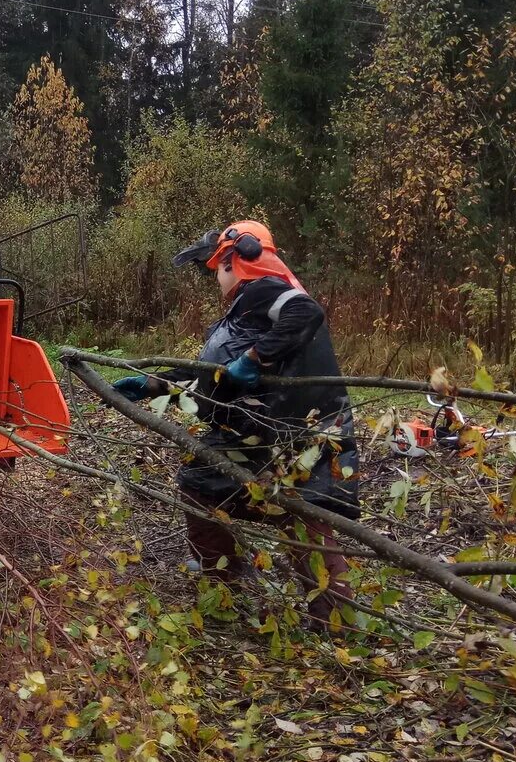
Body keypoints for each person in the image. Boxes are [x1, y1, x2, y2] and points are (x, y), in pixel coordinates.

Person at [113, 221, 360, 628]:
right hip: (293, 431)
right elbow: (214, 374)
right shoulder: (252, 304)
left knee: (203, 486)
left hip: (272, 430)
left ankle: (222, 584)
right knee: (305, 518)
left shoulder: (266, 290)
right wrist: (155, 383)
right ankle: (335, 620)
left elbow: (305, 312)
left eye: (217, 268)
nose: (216, 278)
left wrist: (253, 358)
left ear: (234, 260)